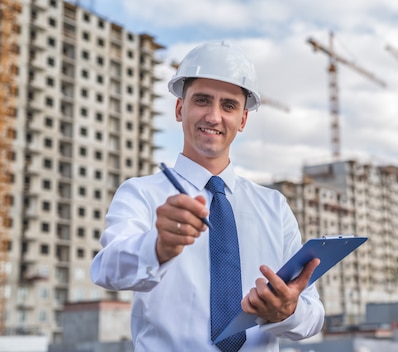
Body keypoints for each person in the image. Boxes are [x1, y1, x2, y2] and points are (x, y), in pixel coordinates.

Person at [90, 40, 325, 351]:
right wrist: (157, 247)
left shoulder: (274, 207)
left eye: (228, 105)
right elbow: (107, 269)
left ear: (242, 120)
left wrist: (288, 311)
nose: (214, 116)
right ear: (179, 108)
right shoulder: (141, 194)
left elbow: (314, 315)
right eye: (202, 100)